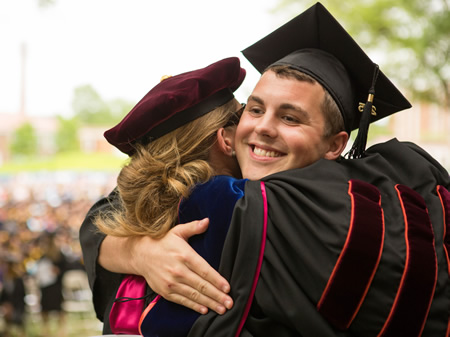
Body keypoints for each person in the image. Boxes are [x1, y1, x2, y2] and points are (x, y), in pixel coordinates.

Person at [82, 3, 449, 336]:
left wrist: (132, 250)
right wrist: (139, 252)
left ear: (336, 145)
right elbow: (104, 216)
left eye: (290, 117)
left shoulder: (266, 207)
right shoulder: (220, 195)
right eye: (254, 110)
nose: (263, 127)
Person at [80, 56, 246, 334]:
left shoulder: (138, 209)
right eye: (246, 114)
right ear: (225, 138)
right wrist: (139, 253)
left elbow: (93, 226)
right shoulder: (241, 206)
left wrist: (137, 250)